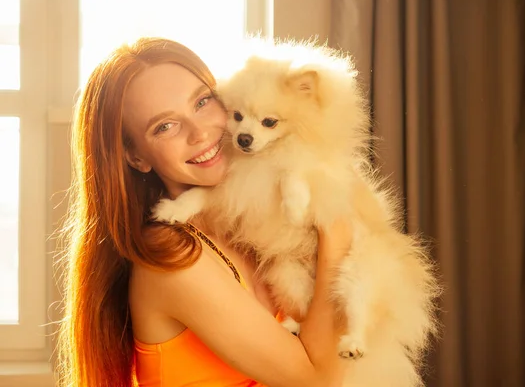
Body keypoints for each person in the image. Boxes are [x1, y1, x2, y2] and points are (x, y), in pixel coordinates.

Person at [57, 37, 352, 387]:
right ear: (136, 158)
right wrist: (338, 234)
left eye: (202, 102)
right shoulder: (175, 260)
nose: (200, 134)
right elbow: (318, 380)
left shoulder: (243, 222)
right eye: (164, 126)